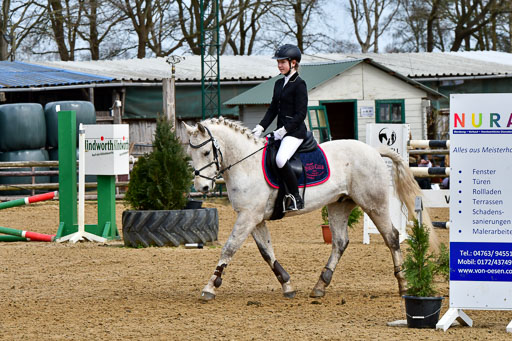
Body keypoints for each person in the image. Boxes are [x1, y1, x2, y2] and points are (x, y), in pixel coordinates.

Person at [251, 44, 308, 212]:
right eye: (278, 62)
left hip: (295, 133)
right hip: (279, 132)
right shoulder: (278, 83)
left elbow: (301, 114)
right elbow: (273, 109)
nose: (279, 65)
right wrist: (260, 127)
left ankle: (296, 197)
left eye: (283, 62)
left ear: (293, 63)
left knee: (280, 159)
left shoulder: (300, 84)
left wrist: (284, 130)